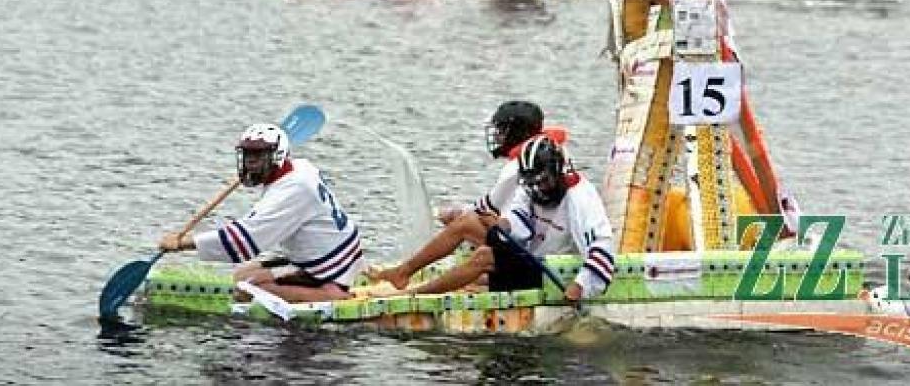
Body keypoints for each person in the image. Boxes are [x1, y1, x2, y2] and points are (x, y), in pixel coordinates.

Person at [373, 136, 615, 300]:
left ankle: (415, 297)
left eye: (543, 182)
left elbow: (603, 247)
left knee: (483, 257)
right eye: (532, 183)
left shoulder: (580, 197)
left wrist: (580, 286)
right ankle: (403, 272)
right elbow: (518, 223)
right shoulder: (531, 187)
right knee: (467, 222)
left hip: (553, 270)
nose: (538, 189)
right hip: (530, 254)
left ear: (557, 172)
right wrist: (501, 225)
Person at [158, 123, 364, 302]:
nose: (250, 162)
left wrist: (182, 243)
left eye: (258, 155)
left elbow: (245, 242)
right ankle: (314, 286)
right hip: (335, 254)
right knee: (242, 275)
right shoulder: (300, 167)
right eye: (247, 155)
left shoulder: (293, 190)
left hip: (331, 267)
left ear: (277, 156)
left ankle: (333, 294)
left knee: (246, 288)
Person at [369, 100, 549, 289]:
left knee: (465, 224)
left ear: (518, 133)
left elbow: (484, 209)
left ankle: (403, 273)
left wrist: (452, 214)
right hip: (533, 238)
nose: (498, 135)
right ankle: (475, 276)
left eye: (502, 130)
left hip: (533, 250)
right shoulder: (546, 153)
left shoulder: (517, 167)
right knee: (472, 227)